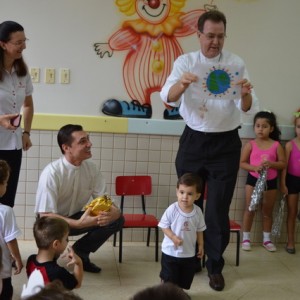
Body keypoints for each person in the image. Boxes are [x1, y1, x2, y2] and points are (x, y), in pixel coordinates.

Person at [160, 10, 259, 291]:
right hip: (193, 141)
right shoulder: (186, 62)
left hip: (226, 143)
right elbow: (167, 98)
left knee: (217, 210)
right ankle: (189, 259)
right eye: (210, 36)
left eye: (220, 36)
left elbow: (247, 106)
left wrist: (246, 92)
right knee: (188, 205)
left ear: (224, 36)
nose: (215, 42)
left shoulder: (235, 63)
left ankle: (215, 266)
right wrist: (182, 84)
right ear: (199, 35)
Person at [34, 124, 124, 273]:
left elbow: (105, 200)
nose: (89, 144)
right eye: (82, 141)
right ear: (66, 148)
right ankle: (49, 259)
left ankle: (80, 253)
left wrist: (115, 212)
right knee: (48, 266)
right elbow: (45, 215)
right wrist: (78, 223)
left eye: (88, 139)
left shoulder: (92, 169)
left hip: (77, 218)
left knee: (117, 220)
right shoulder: (52, 173)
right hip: (51, 224)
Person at [240, 111, 285, 252]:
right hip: (253, 180)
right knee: (249, 209)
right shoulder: (250, 144)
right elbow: (242, 163)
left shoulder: (276, 145)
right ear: (254, 127)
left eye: (264, 126)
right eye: (258, 125)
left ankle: (267, 240)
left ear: (271, 129)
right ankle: (246, 238)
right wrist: (254, 167)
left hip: (270, 182)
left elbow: (283, 164)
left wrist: (271, 164)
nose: (260, 129)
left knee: (267, 211)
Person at [0, 21, 34, 207]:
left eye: (24, 41)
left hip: (13, 146)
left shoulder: (22, 71)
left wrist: (26, 133)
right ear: (3, 44)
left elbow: (28, 104)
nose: (24, 46)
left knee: (7, 199)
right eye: (18, 42)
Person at [158, 173, 206, 292]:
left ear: (197, 196)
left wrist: (201, 245)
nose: (184, 197)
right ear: (177, 192)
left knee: (184, 279)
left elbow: (200, 229)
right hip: (170, 252)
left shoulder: (198, 211)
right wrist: (173, 237)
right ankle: (166, 291)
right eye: (182, 192)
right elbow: (164, 226)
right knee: (170, 278)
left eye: (190, 194)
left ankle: (178, 294)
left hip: (188, 253)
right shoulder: (172, 209)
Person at [26, 216, 83, 290]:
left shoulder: (31, 259)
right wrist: (79, 263)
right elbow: (77, 284)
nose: (68, 242)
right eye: (66, 239)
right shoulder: (57, 272)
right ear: (56, 244)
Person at [0, 160, 23, 300]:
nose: (7, 186)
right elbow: (10, 240)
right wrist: (18, 259)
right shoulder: (5, 211)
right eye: (6, 183)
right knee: (6, 292)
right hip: (2, 269)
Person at [281, 109, 300, 254]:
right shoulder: (289, 145)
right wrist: (283, 183)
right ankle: (290, 241)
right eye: (299, 127)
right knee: (292, 211)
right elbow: (285, 167)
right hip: (292, 180)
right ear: (295, 128)